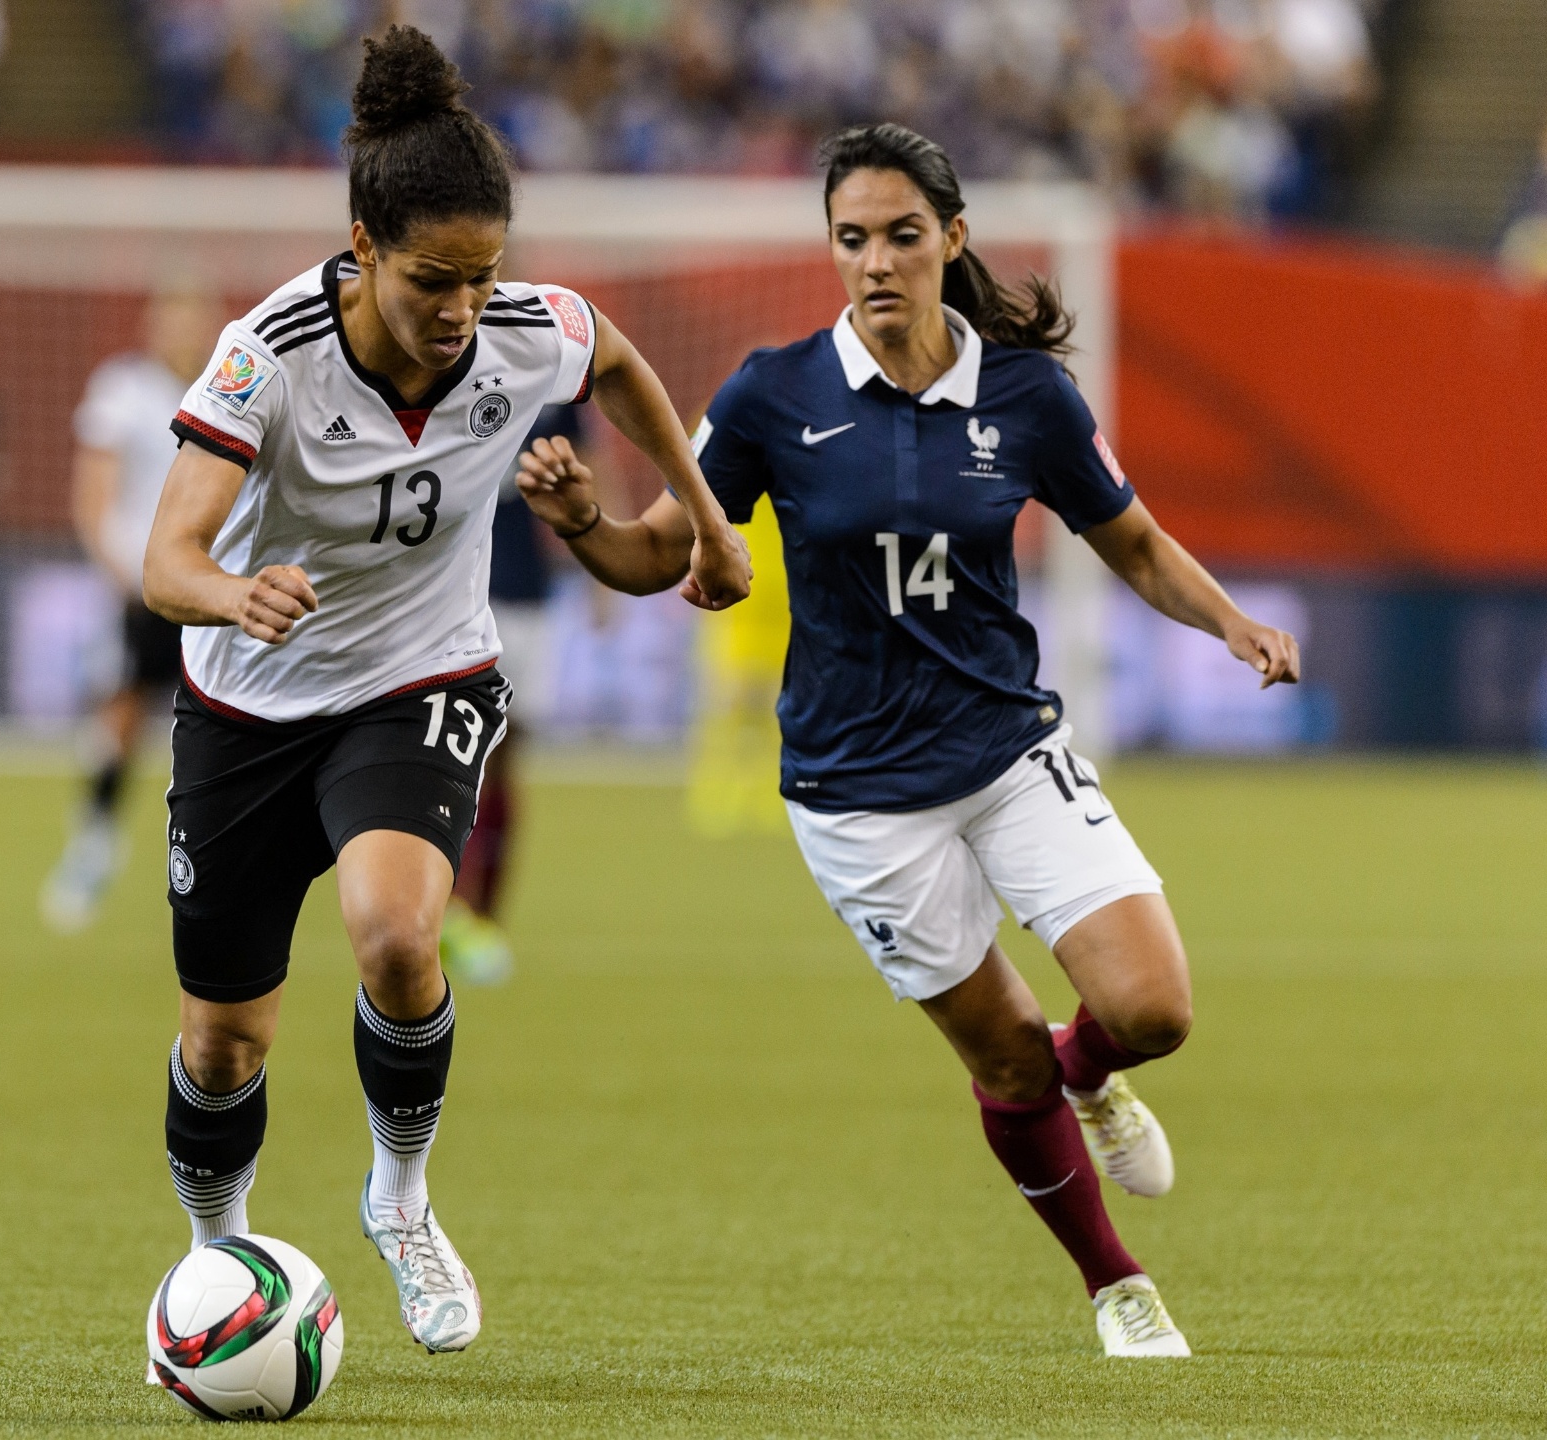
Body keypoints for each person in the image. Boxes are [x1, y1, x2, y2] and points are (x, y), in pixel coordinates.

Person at [515, 122, 1300, 1358]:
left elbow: (1134, 545)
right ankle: (1116, 1285)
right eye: (850, 239)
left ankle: (1094, 1069)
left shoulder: (1029, 396)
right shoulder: (771, 395)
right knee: (1006, 1063)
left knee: (1151, 1009)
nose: (875, 262)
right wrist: (580, 522)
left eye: (900, 235)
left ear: (953, 239)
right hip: (859, 798)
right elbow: (662, 552)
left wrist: (1235, 622)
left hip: (1003, 751)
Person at [139, 24, 751, 1365]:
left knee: (400, 938)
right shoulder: (266, 357)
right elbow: (165, 558)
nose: (464, 307)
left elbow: (625, 367)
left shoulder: (527, 334)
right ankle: (218, 1255)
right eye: (433, 278)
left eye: (484, 275)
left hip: (418, 680)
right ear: (362, 247)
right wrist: (232, 593)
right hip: (244, 707)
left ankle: (401, 1197)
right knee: (225, 1043)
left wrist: (703, 522)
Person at [41, 280, 221, 933]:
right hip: (144, 586)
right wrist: (122, 571)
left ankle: (214, 867)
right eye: (170, 318)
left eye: (191, 317)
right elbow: (94, 495)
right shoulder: (123, 390)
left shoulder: (230, 388)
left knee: (219, 728)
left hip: (211, 584)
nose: (181, 331)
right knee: (122, 715)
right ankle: (92, 845)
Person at [438, 401, 583, 986]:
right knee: (444, 757)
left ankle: (483, 920)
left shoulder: (555, 378)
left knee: (503, 759)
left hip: (526, 598)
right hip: (454, 594)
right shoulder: (451, 365)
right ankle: (435, 908)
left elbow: (585, 468)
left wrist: (594, 552)